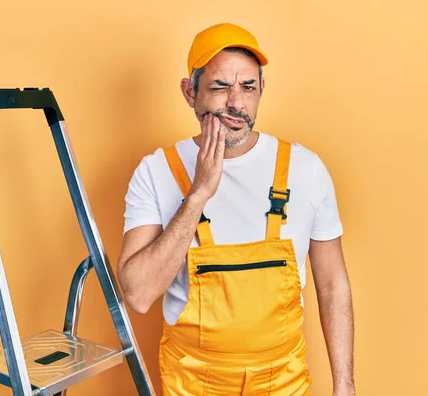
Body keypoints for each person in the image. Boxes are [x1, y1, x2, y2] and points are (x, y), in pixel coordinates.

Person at [117, 22, 355, 396]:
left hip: (284, 384)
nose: (236, 103)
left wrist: (344, 386)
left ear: (262, 90)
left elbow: (332, 284)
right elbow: (138, 295)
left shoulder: (306, 170)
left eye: (248, 86)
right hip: (193, 384)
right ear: (189, 92)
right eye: (219, 86)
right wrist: (197, 195)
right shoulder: (157, 171)